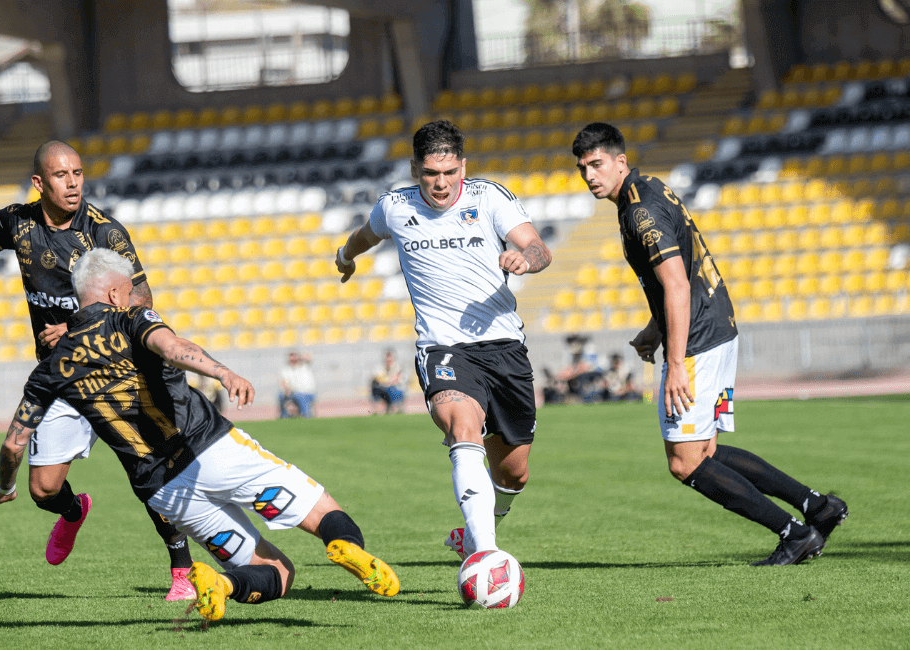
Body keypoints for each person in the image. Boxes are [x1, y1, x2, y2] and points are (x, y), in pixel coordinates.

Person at [0, 249, 399, 622]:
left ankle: (223, 584)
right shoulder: (130, 319)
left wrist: (4, 486)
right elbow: (173, 347)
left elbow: (14, 443)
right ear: (113, 294)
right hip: (210, 450)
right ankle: (345, 544)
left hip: (162, 491)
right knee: (322, 512)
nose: (133, 298)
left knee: (278, 571)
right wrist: (223, 372)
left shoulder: (53, 365)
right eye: (128, 291)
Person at [0, 141, 196, 599]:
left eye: (78, 173)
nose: (74, 183)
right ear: (40, 183)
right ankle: (73, 511)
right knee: (43, 490)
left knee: (144, 471)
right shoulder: (18, 223)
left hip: (113, 374)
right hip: (62, 377)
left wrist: (79, 324)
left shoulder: (105, 232)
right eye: (62, 175)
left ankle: (182, 571)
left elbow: (141, 301)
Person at [572, 122, 848, 566]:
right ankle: (818, 507)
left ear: (619, 161)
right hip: (717, 327)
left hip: (698, 341)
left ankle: (794, 534)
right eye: (583, 167)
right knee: (708, 451)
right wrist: (654, 330)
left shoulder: (640, 212)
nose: (589, 175)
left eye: (597, 164)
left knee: (685, 463)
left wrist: (675, 363)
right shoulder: (646, 189)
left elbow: (678, 285)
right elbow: (676, 280)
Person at [334, 120, 552, 561]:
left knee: (514, 474)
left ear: (463, 167)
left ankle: (476, 532)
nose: (441, 183)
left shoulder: (489, 198)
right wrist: (345, 256)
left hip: (504, 347)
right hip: (442, 348)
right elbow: (366, 234)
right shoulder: (395, 206)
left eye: (450, 172)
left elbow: (539, 248)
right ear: (416, 169)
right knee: (462, 428)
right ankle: (486, 554)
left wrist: (525, 260)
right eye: (431, 173)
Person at [278, 351, 316, 418]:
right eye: (291, 358)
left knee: (301, 396)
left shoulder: (304, 366)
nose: (292, 360)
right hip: (293, 392)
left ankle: (306, 414)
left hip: (307, 392)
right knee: (280, 395)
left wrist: (299, 357)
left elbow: (309, 357)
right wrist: (286, 389)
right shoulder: (286, 370)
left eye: (294, 357)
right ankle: (284, 415)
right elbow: (283, 382)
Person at [370, 349, 407, 414]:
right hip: (384, 388)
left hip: (395, 389)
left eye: (389, 359)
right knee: (375, 388)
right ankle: (378, 408)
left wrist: (388, 382)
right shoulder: (381, 367)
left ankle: (394, 408)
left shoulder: (398, 367)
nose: (388, 361)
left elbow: (398, 380)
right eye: (387, 359)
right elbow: (375, 377)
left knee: (390, 390)